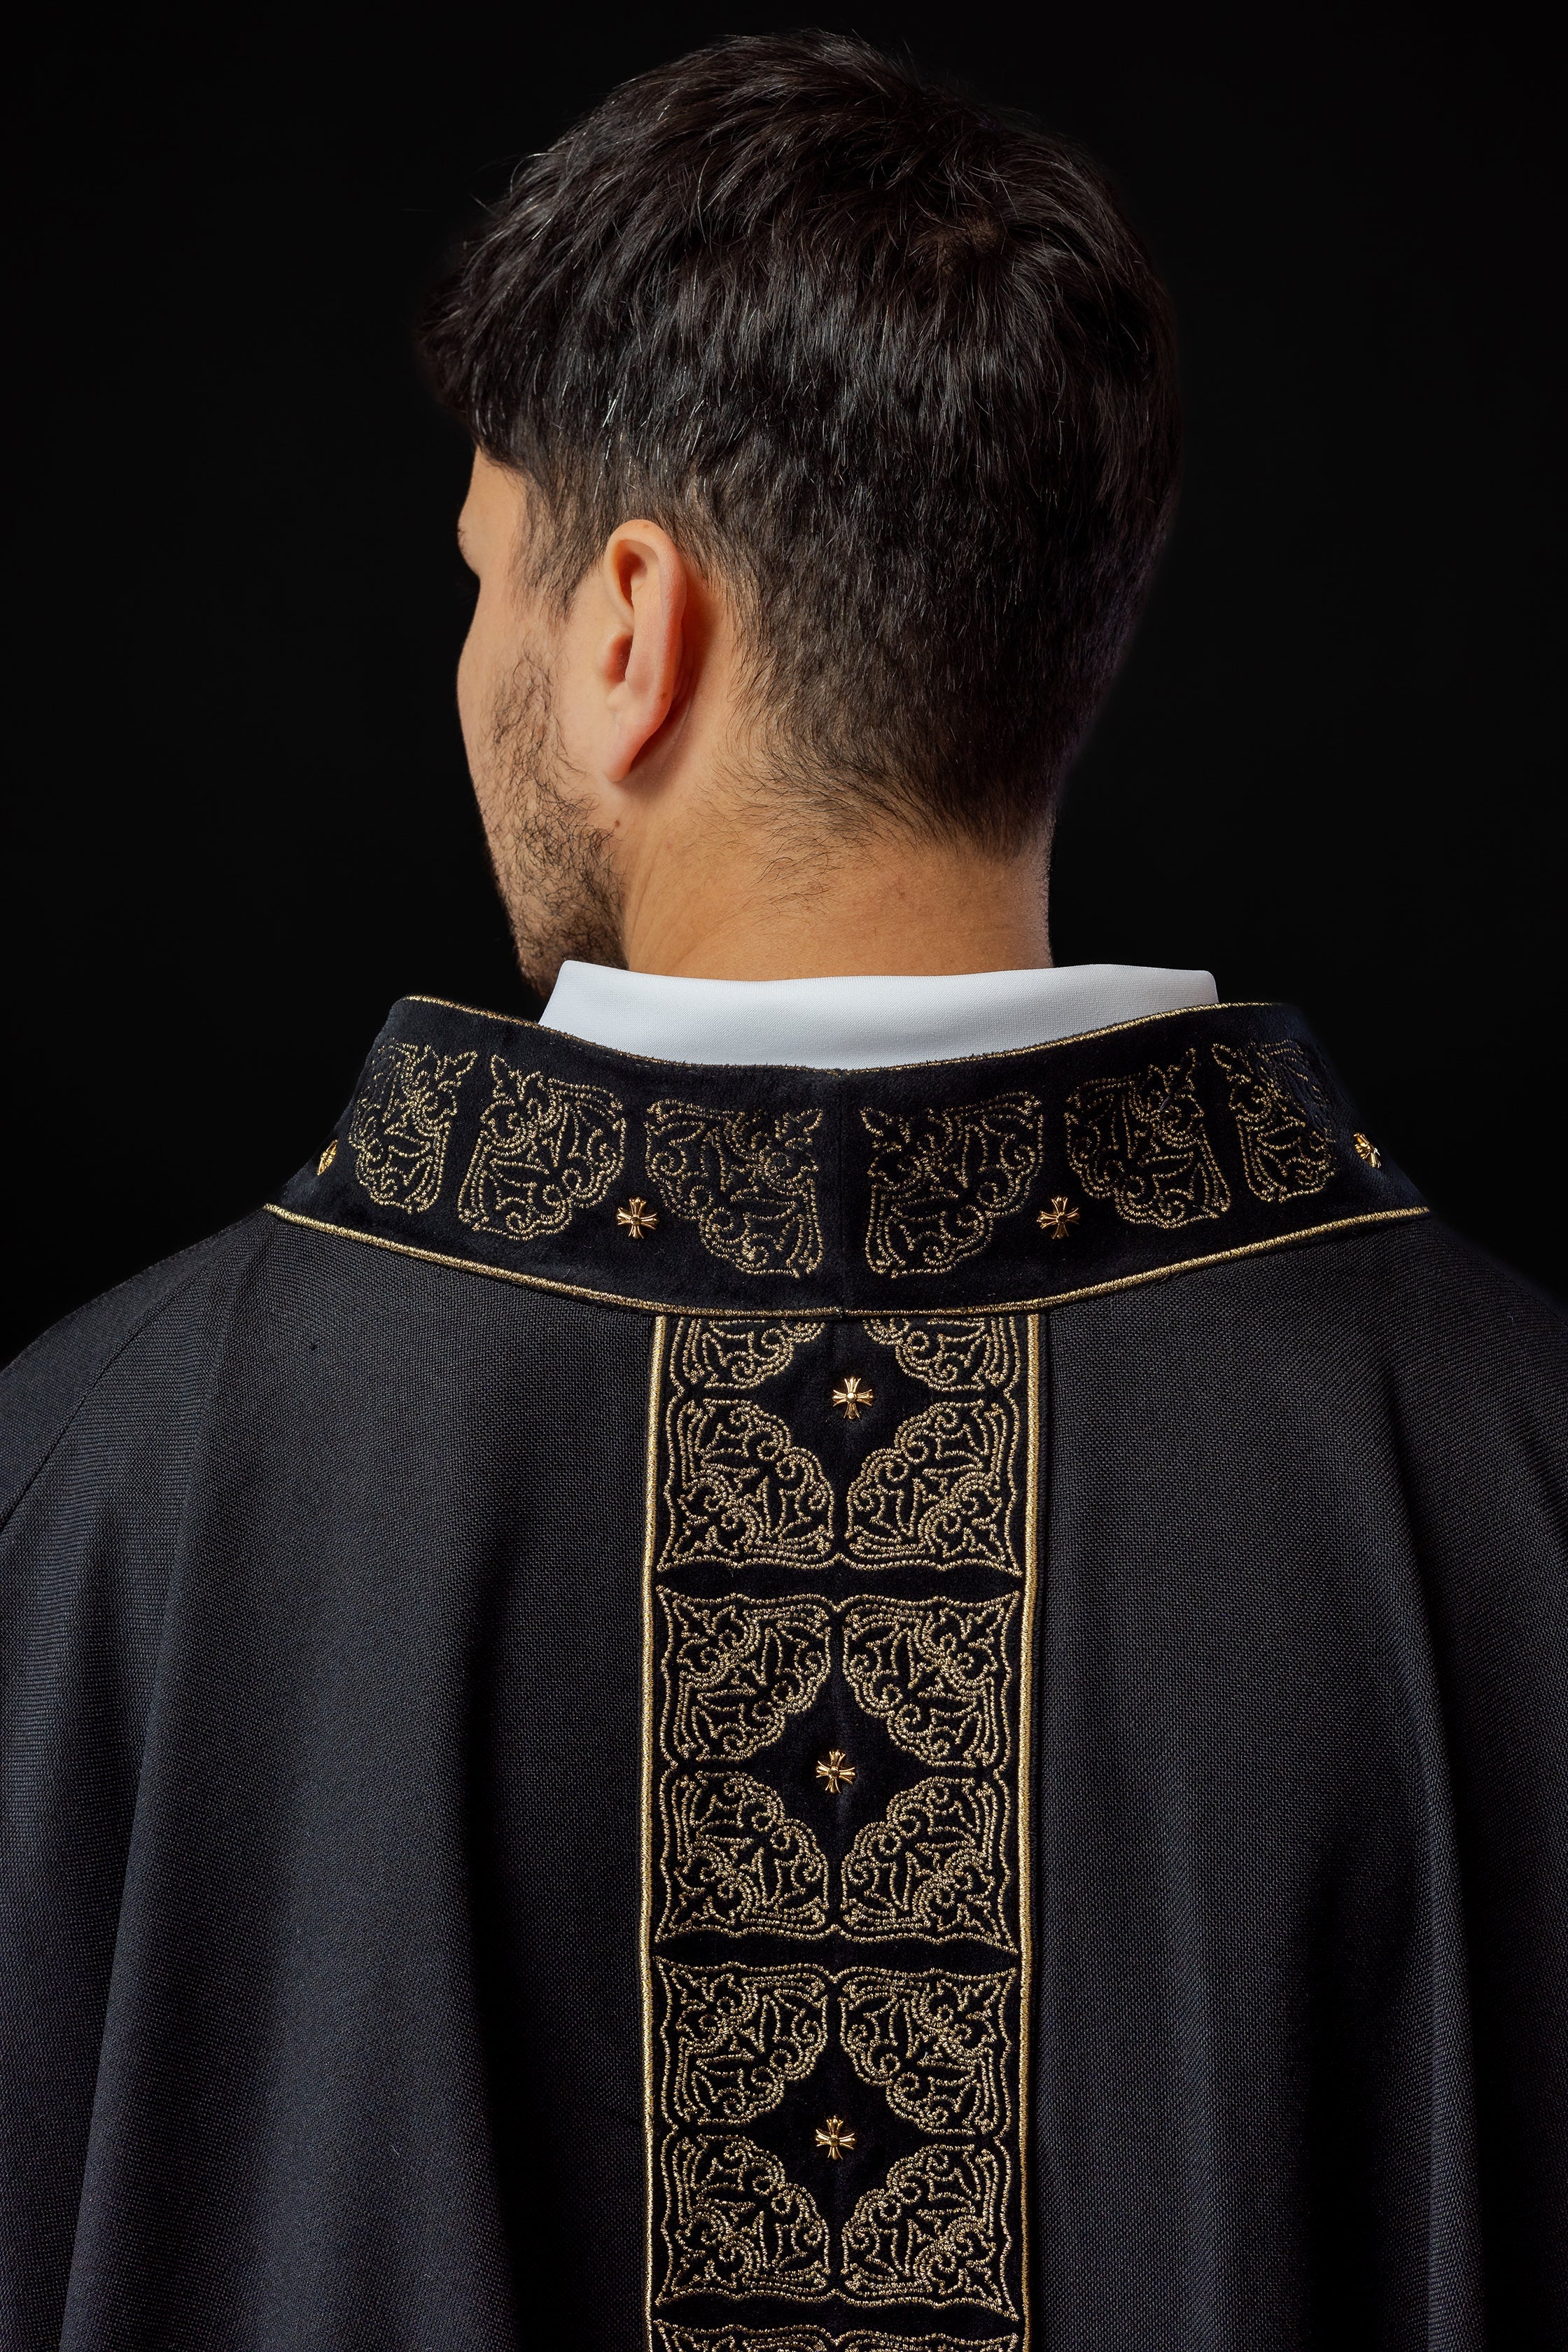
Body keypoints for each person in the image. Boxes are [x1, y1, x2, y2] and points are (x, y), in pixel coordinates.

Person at [2, 31, 1562, 2352]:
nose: (467, 666)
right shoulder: (1517, 1477)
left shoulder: (111, 1487)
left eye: (485, 580)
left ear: (628, 634)